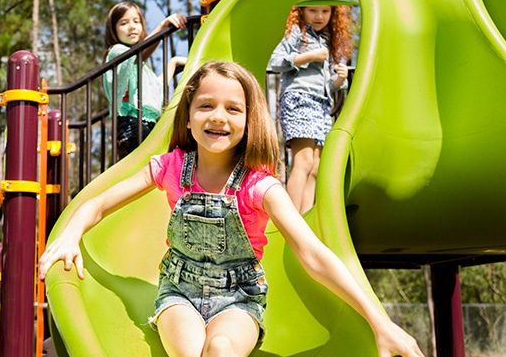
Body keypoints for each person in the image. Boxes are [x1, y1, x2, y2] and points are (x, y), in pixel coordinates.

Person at [38, 61, 423, 357]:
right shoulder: (170, 167)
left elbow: (314, 254)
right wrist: (71, 233)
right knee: (191, 350)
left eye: (233, 109)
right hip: (179, 293)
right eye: (206, 105)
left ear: (249, 121)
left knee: (220, 349)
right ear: (187, 118)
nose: (218, 116)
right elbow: (99, 201)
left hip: (239, 299)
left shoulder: (261, 187)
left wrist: (379, 321)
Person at [269, 5, 353, 214]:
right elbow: (276, 61)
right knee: (304, 160)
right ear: (301, 12)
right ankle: (289, 220)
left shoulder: (326, 40)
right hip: (299, 98)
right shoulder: (298, 33)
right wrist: (310, 56)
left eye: (325, 11)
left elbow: (329, 85)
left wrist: (340, 79)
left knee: (315, 166)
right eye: (313, 10)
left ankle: (304, 219)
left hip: (321, 103)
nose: (319, 16)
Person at [103, 1, 187, 159]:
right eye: (124, 23)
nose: (132, 27)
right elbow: (140, 52)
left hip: (144, 124)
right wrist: (163, 26)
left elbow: (157, 88)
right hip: (131, 125)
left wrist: (173, 62)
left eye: (136, 21)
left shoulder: (140, 67)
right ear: (113, 29)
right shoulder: (117, 53)